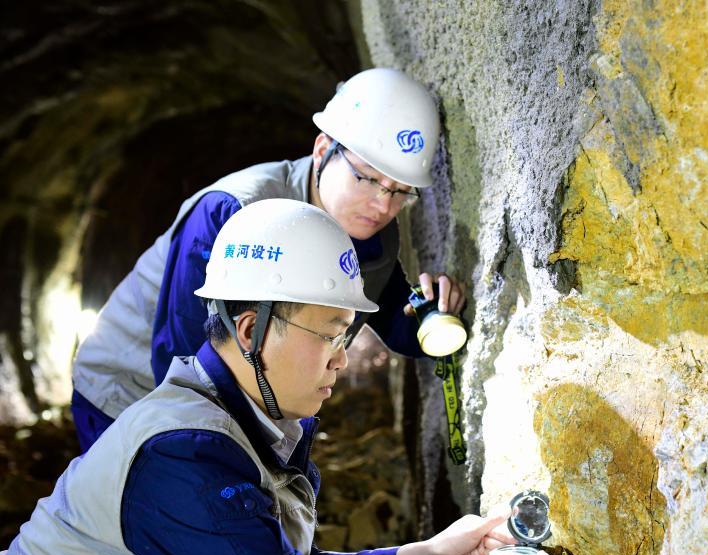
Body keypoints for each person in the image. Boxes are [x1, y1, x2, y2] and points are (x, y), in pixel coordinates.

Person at [0, 200, 565, 555]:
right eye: (329, 334)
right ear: (251, 330)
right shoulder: (183, 457)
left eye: (347, 336)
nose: (342, 359)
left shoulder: (240, 420)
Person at [70, 67, 466, 452]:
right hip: (128, 394)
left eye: (400, 190)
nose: (382, 205)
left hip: (238, 404)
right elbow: (179, 361)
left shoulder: (368, 234)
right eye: (367, 177)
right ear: (323, 150)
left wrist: (432, 312)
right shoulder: (232, 211)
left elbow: (395, 321)